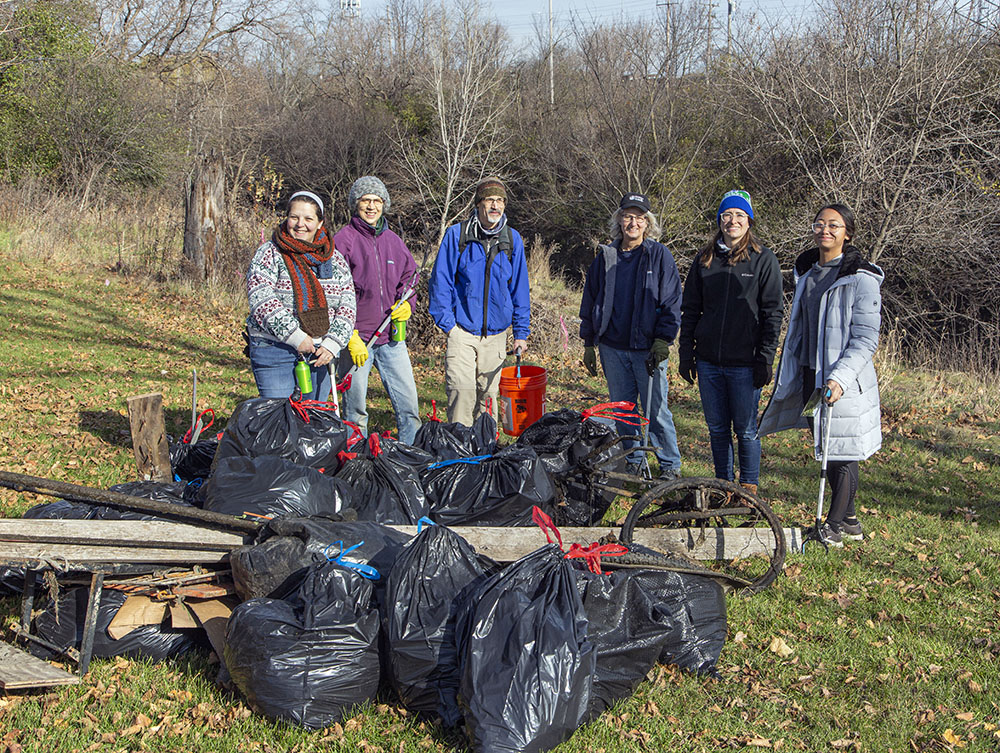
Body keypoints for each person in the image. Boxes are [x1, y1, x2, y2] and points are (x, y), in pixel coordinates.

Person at [759, 203, 883, 547]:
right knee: (829, 446)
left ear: (847, 232)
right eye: (819, 224)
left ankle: (832, 526)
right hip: (812, 374)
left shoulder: (862, 278)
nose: (825, 230)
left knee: (841, 452)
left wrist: (840, 377)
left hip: (844, 380)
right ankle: (852, 520)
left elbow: (866, 337)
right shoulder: (807, 274)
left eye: (834, 225)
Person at [678, 190, 784, 495]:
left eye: (739, 215)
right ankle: (722, 485)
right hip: (709, 362)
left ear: (748, 221)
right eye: (727, 215)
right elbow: (690, 309)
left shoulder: (764, 259)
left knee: (747, 430)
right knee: (717, 429)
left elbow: (772, 313)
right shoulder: (705, 259)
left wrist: (765, 358)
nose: (732, 221)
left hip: (745, 363)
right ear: (719, 220)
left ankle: (748, 489)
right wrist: (687, 354)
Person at [579, 192, 683, 478]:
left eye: (639, 217)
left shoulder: (659, 255)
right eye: (628, 216)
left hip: (647, 348)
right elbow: (590, 299)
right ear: (619, 220)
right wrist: (589, 342)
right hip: (612, 348)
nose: (633, 222)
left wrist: (664, 339)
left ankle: (669, 466)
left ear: (647, 223)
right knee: (624, 410)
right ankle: (634, 461)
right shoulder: (606, 257)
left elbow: (672, 301)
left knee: (657, 411)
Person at [428, 176, 531, 426]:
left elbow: (520, 289)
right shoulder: (457, 236)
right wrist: (449, 326)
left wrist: (520, 332)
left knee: (488, 398)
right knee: (461, 392)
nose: (495, 206)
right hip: (461, 330)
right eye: (489, 200)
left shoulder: (512, 240)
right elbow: (440, 282)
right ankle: (458, 452)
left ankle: (485, 453)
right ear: (478, 204)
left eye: (500, 200)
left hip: (496, 335)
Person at [334, 176, 421, 444]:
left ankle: (411, 458)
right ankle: (355, 462)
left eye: (377, 201)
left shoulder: (394, 241)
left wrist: (407, 304)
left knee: (409, 408)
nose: (371, 206)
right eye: (365, 201)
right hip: (357, 341)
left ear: (384, 204)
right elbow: (333, 292)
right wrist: (348, 335)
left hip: (392, 338)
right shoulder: (343, 241)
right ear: (355, 204)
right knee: (355, 411)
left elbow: (411, 278)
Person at [245, 190, 356, 401]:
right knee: (279, 418)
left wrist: (333, 344)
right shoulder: (270, 253)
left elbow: (348, 306)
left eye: (308, 218)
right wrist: (295, 336)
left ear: (320, 222)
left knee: (313, 420)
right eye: (294, 217)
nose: (300, 224)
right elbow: (261, 299)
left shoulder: (334, 259)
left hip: (320, 354)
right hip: (274, 348)